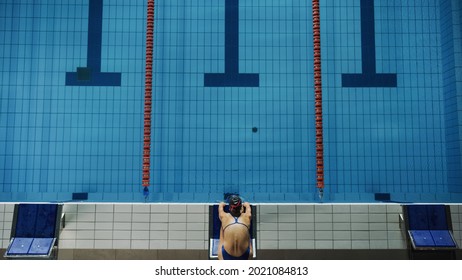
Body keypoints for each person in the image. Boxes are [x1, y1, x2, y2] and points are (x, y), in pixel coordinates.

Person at [217, 195, 252, 260]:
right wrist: (246, 205)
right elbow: (247, 206)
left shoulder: (224, 216)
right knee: (247, 231)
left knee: (222, 228)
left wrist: (221, 204)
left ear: (230, 208)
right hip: (246, 254)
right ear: (241, 208)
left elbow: (220, 207)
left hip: (226, 255)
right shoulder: (247, 216)